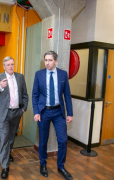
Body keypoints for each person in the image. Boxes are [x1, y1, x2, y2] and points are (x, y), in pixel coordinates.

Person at [32, 51, 73, 180]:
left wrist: (70, 113)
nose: (47, 63)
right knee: (43, 141)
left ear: (56, 61)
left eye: (50, 60)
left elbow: (67, 95)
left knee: (62, 140)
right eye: (46, 60)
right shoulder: (39, 74)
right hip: (44, 111)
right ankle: (43, 164)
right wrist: (36, 112)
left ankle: (61, 166)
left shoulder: (63, 74)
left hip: (58, 112)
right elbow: (35, 95)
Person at [0, 56, 28, 179]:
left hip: (16, 113)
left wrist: (23, 109)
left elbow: (25, 94)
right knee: (4, 138)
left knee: (11, 137)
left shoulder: (20, 77)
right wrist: (0, 86)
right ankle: (5, 166)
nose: (11, 66)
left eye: (12, 64)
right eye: (8, 65)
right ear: (4, 66)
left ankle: (8, 152)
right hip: (3, 114)